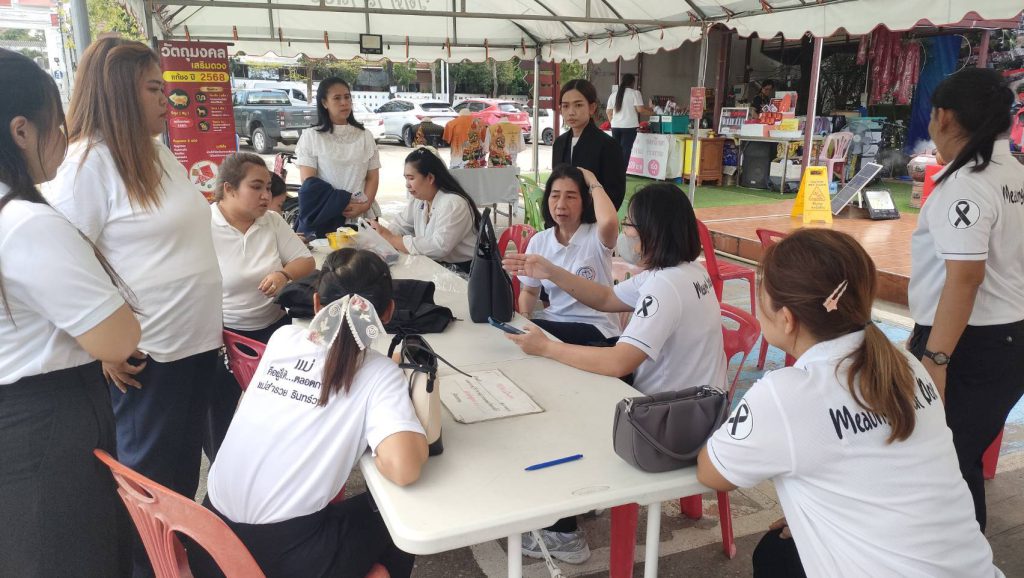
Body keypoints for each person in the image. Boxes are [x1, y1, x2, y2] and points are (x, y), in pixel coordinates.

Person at [698, 228, 1003, 578]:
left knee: (775, 555)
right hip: (977, 569)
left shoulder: (787, 394)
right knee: (778, 552)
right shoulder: (906, 365)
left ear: (787, 318)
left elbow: (713, 473)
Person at [46, 38, 223, 576]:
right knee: (149, 489)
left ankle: (171, 564)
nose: (167, 100)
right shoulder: (88, 163)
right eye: (153, 89)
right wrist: (97, 346)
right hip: (149, 358)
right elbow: (58, 263)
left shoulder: (154, 151)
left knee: (177, 481)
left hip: (194, 345)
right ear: (120, 93)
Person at [503, 183, 725, 563]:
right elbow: (607, 297)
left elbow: (619, 362)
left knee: (562, 409)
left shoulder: (666, 286)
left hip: (669, 422)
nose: (626, 233)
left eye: (631, 225)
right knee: (573, 369)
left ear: (653, 231)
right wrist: (550, 271)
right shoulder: (684, 271)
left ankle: (563, 534)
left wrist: (547, 347)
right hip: (696, 408)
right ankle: (580, 498)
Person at [0, 47, 140, 578]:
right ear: (21, 131)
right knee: (68, 553)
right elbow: (118, 339)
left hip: (22, 419)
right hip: (46, 423)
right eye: (56, 124)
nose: (64, 137)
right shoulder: (25, 223)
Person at [203, 248, 428, 578]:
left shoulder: (282, 339)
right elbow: (403, 469)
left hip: (208, 542)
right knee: (399, 512)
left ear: (317, 304)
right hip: (281, 561)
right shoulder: (379, 375)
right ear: (389, 312)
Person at [907, 67, 1024, 532]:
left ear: (944, 117)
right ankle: (969, 552)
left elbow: (965, 278)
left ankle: (949, 556)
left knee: (935, 468)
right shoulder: (1015, 176)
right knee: (959, 458)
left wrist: (936, 357)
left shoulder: (966, 184)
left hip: (966, 345)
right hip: (1005, 340)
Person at [205, 153, 315, 458]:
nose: (266, 195)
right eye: (256, 187)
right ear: (229, 189)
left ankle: (274, 465)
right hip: (221, 337)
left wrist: (283, 274)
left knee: (278, 409)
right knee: (217, 414)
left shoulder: (272, 221)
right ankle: (220, 471)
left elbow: (305, 261)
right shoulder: (203, 224)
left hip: (273, 331)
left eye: (267, 187)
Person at [517, 164, 620, 345]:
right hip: (555, 322)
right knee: (519, 332)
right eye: (555, 195)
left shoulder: (596, 235)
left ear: (585, 201)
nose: (561, 205)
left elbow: (610, 221)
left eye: (571, 197)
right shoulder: (539, 241)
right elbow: (530, 291)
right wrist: (525, 316)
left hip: (598, 328)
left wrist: (593, 181)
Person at [371, 147, 481, 274]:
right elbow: (401, 224)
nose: (407, 184)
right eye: (406, 178)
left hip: (465, 272)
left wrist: (392, 239)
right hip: (437, 266)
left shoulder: (453, 203)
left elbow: (438, 247)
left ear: (430, 178)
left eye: (411, 178)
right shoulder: (419, 199)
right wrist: (381, 234)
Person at [295, 77, 381, 225]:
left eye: (347, 97)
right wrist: (339, 203)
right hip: (327, 214)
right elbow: (309, 181)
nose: (344, 102)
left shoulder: (365, 136)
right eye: (337, 98)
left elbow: (372, 177)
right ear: (324, 103)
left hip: (362, 215)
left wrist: (365, 205)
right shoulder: (311, 136)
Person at [552, 79, 627, 209]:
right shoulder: (559, 143)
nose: (571, 112)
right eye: (565, 106)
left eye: (578, 105)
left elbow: (615, 194)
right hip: (562, 216)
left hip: (594, 218)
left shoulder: (608, 145)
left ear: (592, 108)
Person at [606, 73, 654, 168]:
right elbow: (640, 110)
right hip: (629, 127)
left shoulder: (614, 95)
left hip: (615, 126)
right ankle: (621, 172)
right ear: (633, 82)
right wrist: (652, 112)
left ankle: (613, 170)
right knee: (625, 151)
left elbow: (608, 112)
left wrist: (613, 122)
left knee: (616, 150)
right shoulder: (635, 93)